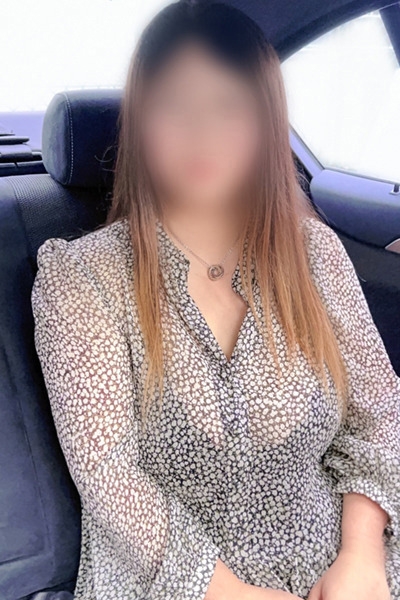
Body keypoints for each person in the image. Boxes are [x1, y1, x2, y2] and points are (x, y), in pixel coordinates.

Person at [32, 2, 400, 599]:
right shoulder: (81, 277)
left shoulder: (315, 254)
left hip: (340, 564)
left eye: (230, 105)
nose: (202, 133)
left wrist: (362, 558)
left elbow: (380, 415)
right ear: (141, 122)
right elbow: (108, 473)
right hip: (169, 582)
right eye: (174, 105)